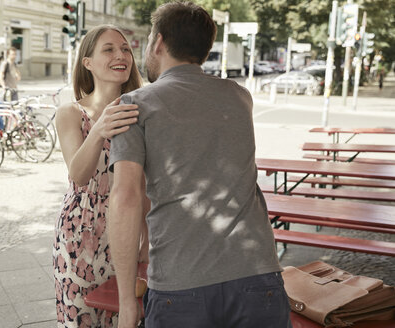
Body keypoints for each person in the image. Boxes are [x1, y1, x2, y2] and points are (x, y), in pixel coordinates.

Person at [108, 2, 292, 328]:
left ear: (159, 42)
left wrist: (126, 303)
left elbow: (125, 199)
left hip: (180, 286)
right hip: (258, 277)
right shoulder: (239, 97)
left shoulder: (135, 105)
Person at [53, 24, 149, 328]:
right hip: (79, 233)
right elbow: (78, 175)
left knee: (126, 318)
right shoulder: (70, 113)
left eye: (125, 49)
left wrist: (147, 242)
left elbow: (147, 185)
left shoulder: (142, 109)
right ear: (88, 63)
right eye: (109, 49)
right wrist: (98, 128)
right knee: (80, 318)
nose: (121, 55)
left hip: (129, 228)